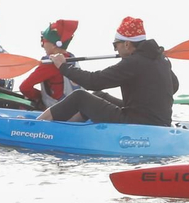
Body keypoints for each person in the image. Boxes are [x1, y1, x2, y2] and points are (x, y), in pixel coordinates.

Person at [38, 15, 177, 125]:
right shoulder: (160, 58)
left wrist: (63, 67)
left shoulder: (134, 63)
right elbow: (174, 86)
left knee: (79, 96)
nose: (116, 49)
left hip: (139, 122)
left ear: (127, 44)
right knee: (99, 95)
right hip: (158, 119)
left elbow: (93, 81)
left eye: (115, 45)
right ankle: (69, 126)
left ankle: (36, 126)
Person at [19, 19, 80, 110]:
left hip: (58, 112)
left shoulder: (50, 63)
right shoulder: (72, 59)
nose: (43, 45)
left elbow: (24, 87)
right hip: (76, 109)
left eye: (43, 41)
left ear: (54, 45)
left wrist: (39, 97)